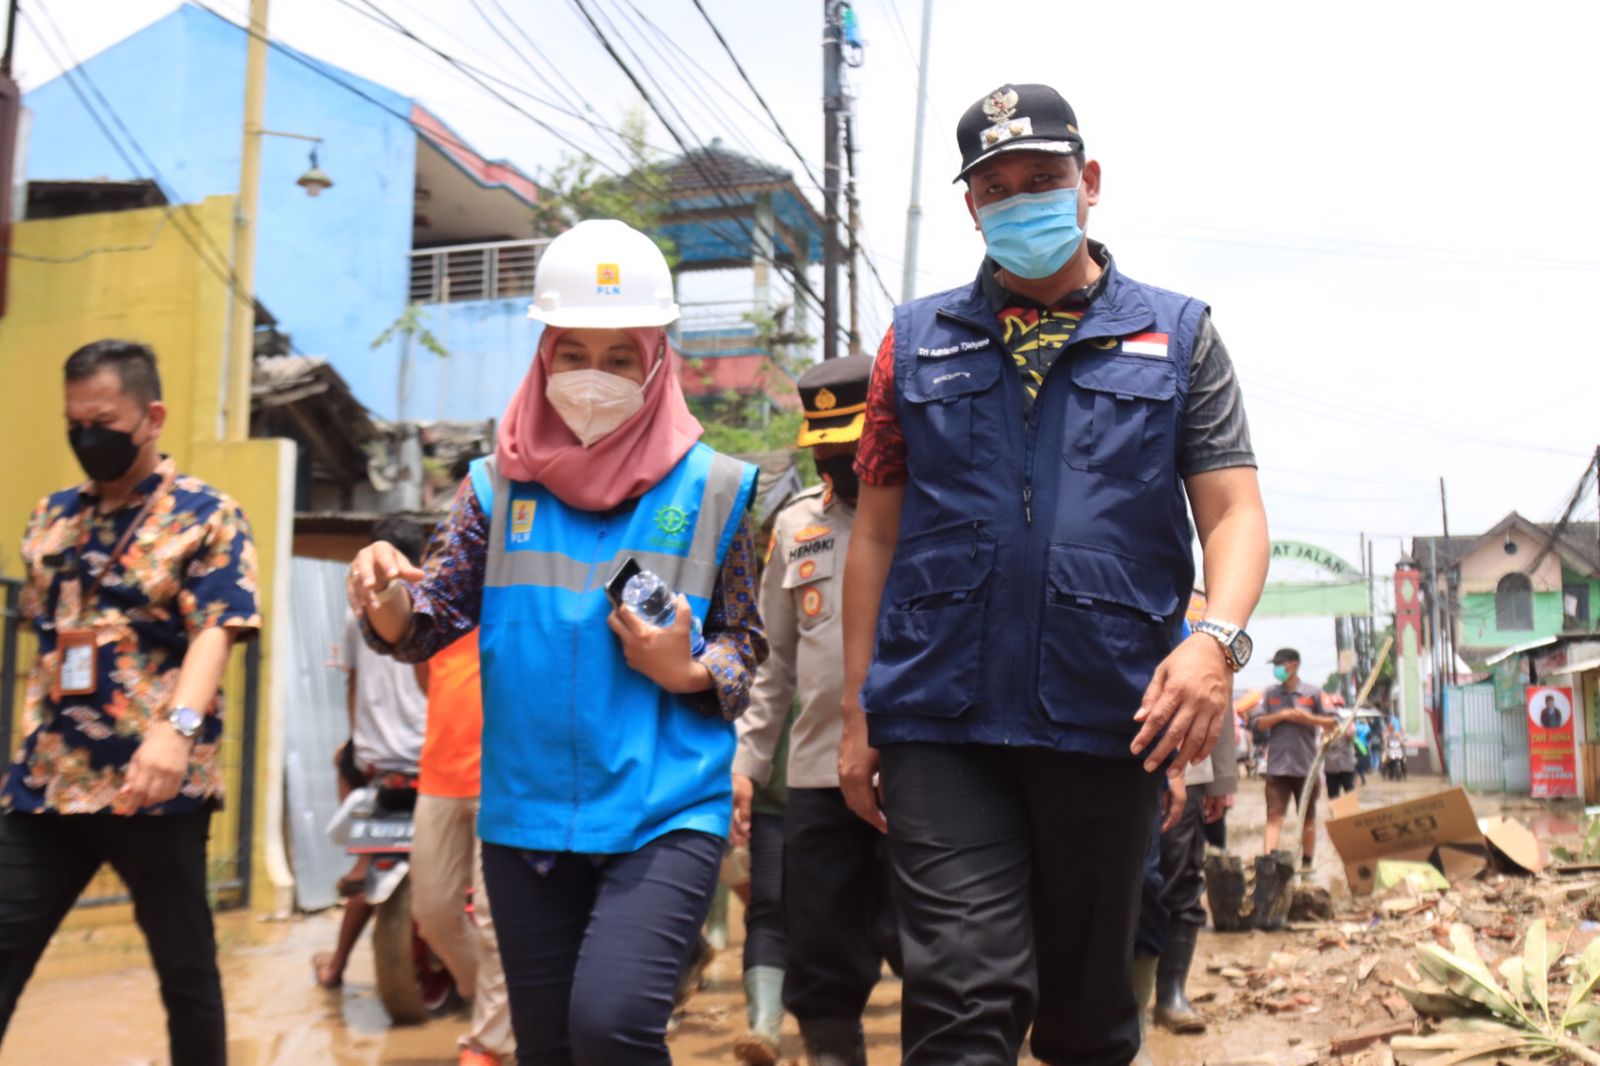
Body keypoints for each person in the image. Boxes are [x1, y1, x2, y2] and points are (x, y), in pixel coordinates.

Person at [838, 83, 1269, 1065]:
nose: (1022, 201)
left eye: (1043, 179)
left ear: (1090, 183)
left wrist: (1215, 645)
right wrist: (858, 709)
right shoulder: (913, 342)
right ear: (971, 207)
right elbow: (873, 537)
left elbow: (1235, 514)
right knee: (959, 996)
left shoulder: (1178, 336)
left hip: (1107, 712)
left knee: (1084, 1014)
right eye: (997, 188)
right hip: (938, 713)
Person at [349, 218, 764, 1065]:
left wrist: (687, 669)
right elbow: (426, 622)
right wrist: (386, 596)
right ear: (544, 356)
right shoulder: (492, 488)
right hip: (526, 812)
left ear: (656, 360)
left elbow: (744, 653)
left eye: (619, 357)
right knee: (546, 1048)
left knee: (610, 1026)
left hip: (664, 807)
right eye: (572, 352)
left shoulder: (716, 488)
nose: (593, 378)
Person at [0, 339, 260, 1065]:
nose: (87, 436)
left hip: (154, 787)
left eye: (103, 419)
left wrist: (175, 731)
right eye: (73, 422)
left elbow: (218, 629)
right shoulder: (49, 519)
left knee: (185, 973)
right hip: (48, 785)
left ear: (151, 417)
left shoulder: (207, 515)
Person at [733, 354, 902, 1066]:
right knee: (822, 953)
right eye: (826, 443)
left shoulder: (932, 511)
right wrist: (746, 763)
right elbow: (772, 661)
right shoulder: (796, 524)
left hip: (918, 774)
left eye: (852, 439)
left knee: (934, 950)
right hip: (816, 778)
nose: (840, 457)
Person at [314, 515, 431, 991]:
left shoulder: (358, 610)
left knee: (342, 761)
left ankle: (337, 965)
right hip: (433, 755)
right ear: (419, 557)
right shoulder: (436, 607)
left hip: (376, 759)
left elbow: (354, 683)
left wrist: (357, 743)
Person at [410, 622, 515, 1066]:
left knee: (495, 920)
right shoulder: (442, 596)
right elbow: (424, 672)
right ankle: (506, 1007)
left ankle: (489, 1042)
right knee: (432, 913)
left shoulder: (509, 582)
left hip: (500, 773)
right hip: (438, 772)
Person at [1250, 648, 1331, 869]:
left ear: (1294, 665)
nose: (1277, 669)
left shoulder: (1313, 694)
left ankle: (1306, 864)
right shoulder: (1270, 695)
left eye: (1280, 664)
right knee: (1274, 818)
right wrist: (1281, 716)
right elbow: (1255, 723)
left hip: (1306, 768)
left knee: (1307, 819)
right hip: (1277, 768)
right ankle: (1268, 865)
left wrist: (1308, 718)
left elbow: (1334, 723)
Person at [1323, 695, 1358, 800]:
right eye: (1334, 706)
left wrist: (1344, 728)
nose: (1337, 709)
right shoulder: (1324, 723)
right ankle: (1335, 816)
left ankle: (1352, 815)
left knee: (1350, 794)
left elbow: (1352, 735)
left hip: (1346, 766)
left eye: (1339, 706)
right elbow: (1321, 742)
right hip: (1331, 767)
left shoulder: (1349, 722)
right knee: (1333, 797)